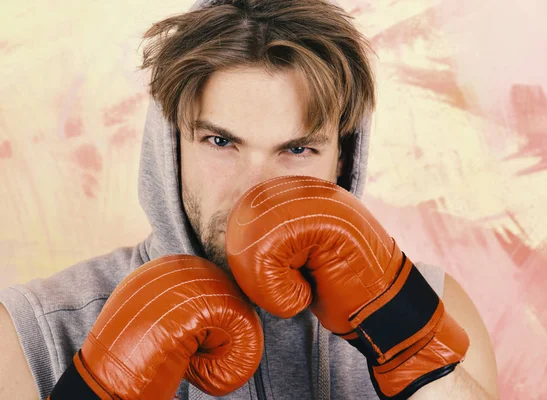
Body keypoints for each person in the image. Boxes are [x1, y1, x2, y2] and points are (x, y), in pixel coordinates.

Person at [0, 0, 499, 399]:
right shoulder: (34, 332)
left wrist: (406, 342)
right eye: (221, 142)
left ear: (343, 160)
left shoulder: (435, 304)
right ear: (171, 147)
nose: (252, 190)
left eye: (297, 149)